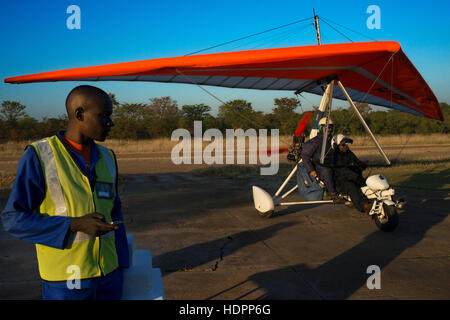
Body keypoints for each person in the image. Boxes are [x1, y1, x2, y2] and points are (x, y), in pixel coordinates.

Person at [1, 85, 129, 300]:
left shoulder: (108, 157)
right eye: (103, 115)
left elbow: (116, 212)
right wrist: (73, 224)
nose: (111, 122)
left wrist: (123, 265)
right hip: (65, 282)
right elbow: (13, 219)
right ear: (79, 114)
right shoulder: (39, 156)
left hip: (110, 277)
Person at [301, 117, 342, 202]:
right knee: (326, 171)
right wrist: (311, 170)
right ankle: (332, 194)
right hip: (318, 166)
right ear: (320, 128)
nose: (329, 129)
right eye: (326, 127)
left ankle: (344, 191)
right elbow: (305, 156)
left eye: (330, 127)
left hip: (330, 163)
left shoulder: (332, 140)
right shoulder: (314, 142)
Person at [331, 134, 372, 213]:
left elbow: (356, 162)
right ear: (336, 146)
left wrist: (362, 165)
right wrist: (357, 178)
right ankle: (362, 206)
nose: (346, 146)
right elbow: (344, 171)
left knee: (367, 183)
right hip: (340, 181)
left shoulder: (349, 153)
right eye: (343, 145)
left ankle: (374, 201)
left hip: (352, 177)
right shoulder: (334, 157)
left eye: (346, 144)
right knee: (352, 187)